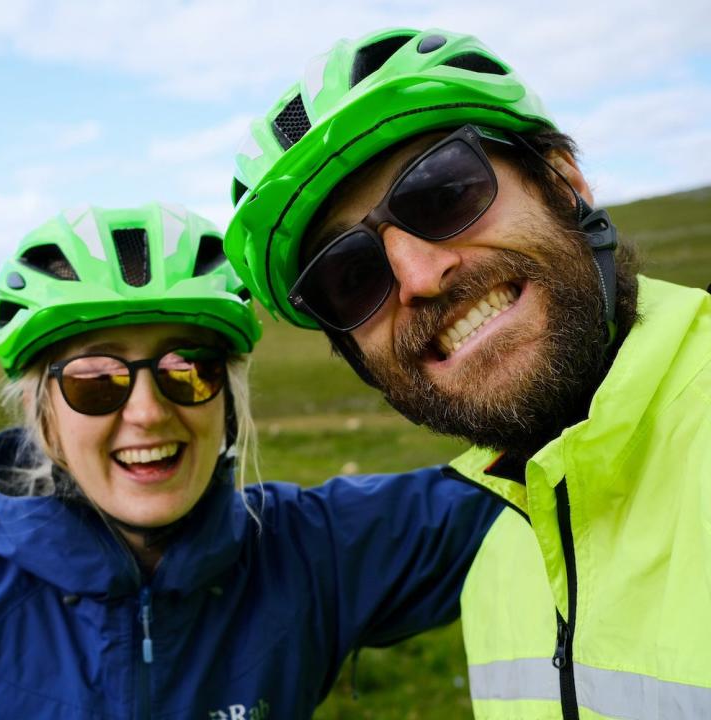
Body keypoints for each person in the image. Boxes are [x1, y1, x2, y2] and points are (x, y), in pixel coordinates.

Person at [0, 202, 501, 718]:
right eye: (95, 381)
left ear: (225, 399)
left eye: (187, 370)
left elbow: (523, 484)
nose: (146, 412)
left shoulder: (307, 551)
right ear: (43, 412)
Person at [224, 26, 711, 719]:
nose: (418, 276)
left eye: (443, 193)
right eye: (352, 276)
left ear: (564, 183)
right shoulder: (494, 562)